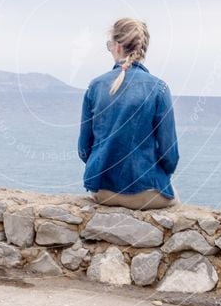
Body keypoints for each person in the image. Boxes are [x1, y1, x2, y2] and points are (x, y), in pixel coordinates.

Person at [77, 17, 180, 210]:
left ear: (117, 46)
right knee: (175, 201)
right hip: (145, 191)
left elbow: (84, 149)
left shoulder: (95, 86)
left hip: (103, 191)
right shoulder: (159, 88)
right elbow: (169, 155)